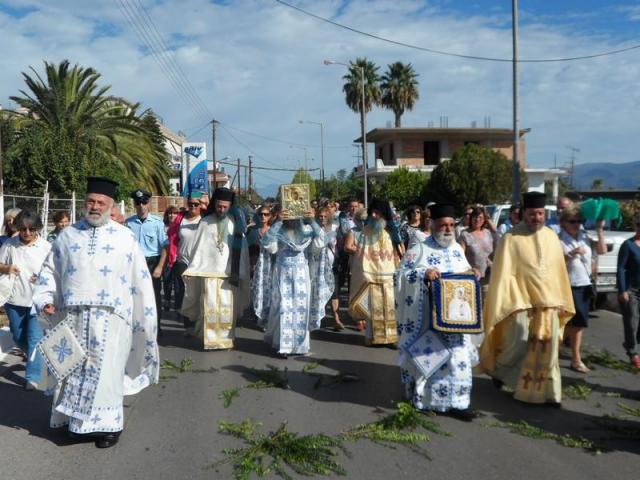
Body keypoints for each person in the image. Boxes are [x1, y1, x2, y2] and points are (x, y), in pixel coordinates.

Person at [33, 177, 159, 449]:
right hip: (73, 318)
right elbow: (50, 273)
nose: (95, 206)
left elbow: (140, 282)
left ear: (110, 205)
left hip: (112, 321)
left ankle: (109, 428)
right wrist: (45, 300)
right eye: (91, 201)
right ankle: (73, 423)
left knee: (108, 376)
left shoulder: (125, 239)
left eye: (101, 202)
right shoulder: (67, 237)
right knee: (72, 372)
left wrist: (144, 320)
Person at [480, 192, 575, 406]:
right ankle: (499, 372)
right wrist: (513, 302)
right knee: (517, 344)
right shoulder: (510, 238)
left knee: (548, 349)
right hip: (520, 303)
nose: (537, 218)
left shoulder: (551, 236)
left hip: (549, 303)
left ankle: (550, 393)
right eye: (532, 214)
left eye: (540, 213)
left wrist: (560, 300)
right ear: (524, 213)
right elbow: (505, 274)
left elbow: (557, 273)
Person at [395, 203, 481, 421]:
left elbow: (464, 275)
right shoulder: (419, 250)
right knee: (430, 359)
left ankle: (459, 403)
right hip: (428, 321)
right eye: (443, 225)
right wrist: (424, 273)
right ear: (433, 225)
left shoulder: (456, 250)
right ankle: (424, 401)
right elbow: (400, 276)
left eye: (452, 225)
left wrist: (473, 273)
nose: (448, 230)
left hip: (457, 321)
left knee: (458, 360)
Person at [180, 187, 249, 350]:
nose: (222, 210)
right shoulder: (205, 222)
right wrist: (193, 268)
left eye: (225, 207)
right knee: (210, 306)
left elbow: (242, 252)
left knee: (227, 308)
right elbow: (198, 249)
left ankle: (226, 339)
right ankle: (210, 340)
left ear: (230, 206)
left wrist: (241, 272)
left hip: (229, 274)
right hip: (208, 273)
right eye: (219, 206)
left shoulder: (235, 225)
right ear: (214, 204)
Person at [0, 210, 51, 391]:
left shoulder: (46, 247)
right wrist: (7, 268)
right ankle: (34, 355)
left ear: (37, 228)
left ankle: (32, 377)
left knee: (34, 339)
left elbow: (53, 271)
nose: (27, 233)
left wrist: (42, 279)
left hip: (37, 301)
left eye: (31, 229)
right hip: (14, 300)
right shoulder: (9, 245)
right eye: (23, 229)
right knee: (18, 336)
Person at [262, 208, 319, 357]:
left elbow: (319, 243)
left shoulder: (306, 229)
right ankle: (283, 345)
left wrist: (312, 220)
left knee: (301, 308)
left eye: (295, 217)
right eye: (289, 217)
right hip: (283, 273)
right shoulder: (279, 229)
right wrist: (278, 222)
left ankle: (300, 346)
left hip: (301, 273)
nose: (292, 220)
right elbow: (269, 246)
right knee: (283, 307)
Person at [344, 198, 399, 345]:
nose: (374, 216)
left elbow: (397, 253)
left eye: (377, 213)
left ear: (384, 214)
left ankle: (392, 339)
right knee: (373, 308)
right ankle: (373, 337)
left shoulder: (392, 231)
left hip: (389, 276)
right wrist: (365, 272)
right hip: (370, 276)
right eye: (372, 212)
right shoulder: (365, 232)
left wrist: (398, 268)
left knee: (390, 307)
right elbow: (360, 256)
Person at [559, 205, 606, 373]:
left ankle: (574, 358)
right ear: (563, 222)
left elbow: (602, 251)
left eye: (579, 221)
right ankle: (559, 351)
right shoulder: (559, 239)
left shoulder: (584, 237)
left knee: (579, 322)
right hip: (567, 285)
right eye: (572, 221)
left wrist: (600, 230)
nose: (576, 224)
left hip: (584, 284)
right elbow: (553, 264)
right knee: (567, 322)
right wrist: (570, 254)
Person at [156, 193, 204, 326]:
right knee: (183, 292)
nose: (193, 207)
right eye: (190, 204)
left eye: (196, 204)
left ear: (201, 205)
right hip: (182, 260)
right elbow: (171, 239)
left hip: (200, 262)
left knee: (198, 293)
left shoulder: (204, 219)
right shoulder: (180, 219)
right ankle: (188, 324)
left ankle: (198, 322)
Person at [125, 189, 166, 335]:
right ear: (135, 205)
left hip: (152, 262)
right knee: (135, 296)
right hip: (135, 264)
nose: (141, 206)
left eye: (144, 202)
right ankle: (137, 327)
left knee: (154, 296)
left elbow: (164, 247)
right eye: (138, 203)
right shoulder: (128, 223)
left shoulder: (157, 223)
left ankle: (156, 327)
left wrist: (160, 267)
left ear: (149, 204)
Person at [309, 207, 341, 330]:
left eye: (325, 216)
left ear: (329, 217)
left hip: (332, 265)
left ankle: (336, 319)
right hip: (317, 266)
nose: (322, 218)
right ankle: (316, 317)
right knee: (317, 291)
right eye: (320, 216)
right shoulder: (313, 229)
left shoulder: (334, 229)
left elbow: (339, 245)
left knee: (334, 292)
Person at [617, 213, 640, 369]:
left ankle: (633, 344)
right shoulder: (628, 245)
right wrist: (622, 289)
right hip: (631, 289)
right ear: (636, 227)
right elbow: (620, 268)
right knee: (631, 320)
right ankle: (633, 352)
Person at [459, 206, 496, 288]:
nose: (477, 219)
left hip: (490, 277)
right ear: (471, 218)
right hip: (474, 277)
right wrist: (470, 269)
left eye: (480, 217)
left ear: (484, 220)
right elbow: (460, 256)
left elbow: (496, 234)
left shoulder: (487, 232)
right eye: (475, 217)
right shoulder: (465, 234)